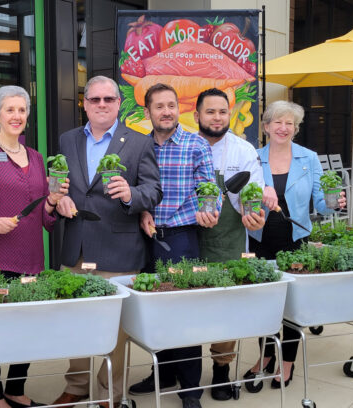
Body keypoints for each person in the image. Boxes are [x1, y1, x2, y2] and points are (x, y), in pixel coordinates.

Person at [52, 75, 162, 408]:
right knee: (75, 324)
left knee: (116, 330)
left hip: (119, 250)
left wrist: (132, 194)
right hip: (76, 248)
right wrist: (57, 198)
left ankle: (109, 391)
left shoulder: (140, 142)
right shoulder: (67, 140)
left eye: (108, 99)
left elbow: (153, 191)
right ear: (85, 104)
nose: (101, 105)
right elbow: (59, 183)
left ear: (119, 103)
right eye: (95, 99)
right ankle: (78, 384)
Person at [0, 85, 68, 408]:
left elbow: (43, 216)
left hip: (32, 256)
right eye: (10, 110)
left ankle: (15, 389)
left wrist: (52, 203)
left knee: (28, 330)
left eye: (22, 110)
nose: (17, 116)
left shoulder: (36, 158)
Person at [128, 83, 220, 408]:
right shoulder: (138, 145)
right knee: (154, 312)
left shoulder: (195, 143)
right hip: (146, 239)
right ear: (147, 112)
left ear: (178, 108)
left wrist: (210, 209)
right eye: (159, 106)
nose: (166, 111)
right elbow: (136, 188)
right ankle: (162, 374)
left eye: (171, 105)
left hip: (181, 238)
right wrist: (141, 211)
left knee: (184, 314)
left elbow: (208, 185)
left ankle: (191, 391)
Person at [244, 100, 346, 389]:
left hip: (295, 240)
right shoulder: (253, 157)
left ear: (296, 129)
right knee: (264, 302)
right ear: (265, 127)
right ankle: (265, 357)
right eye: (277, 122)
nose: (283, 127)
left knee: (291, 305)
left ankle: (286, 363)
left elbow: (320, 205)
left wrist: (334, 204)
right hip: (259, 239)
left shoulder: (309, 158)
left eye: (289, 123)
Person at [194, 88, 267, 401]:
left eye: (222, 112)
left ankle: (221, 371)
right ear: (197, 115)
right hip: (189, 238)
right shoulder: (184, 145)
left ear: (230, 114)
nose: (217, 117)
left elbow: (255, 192)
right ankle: (173, 370)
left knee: (225, 310)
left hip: (230, 240)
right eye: (210, 112)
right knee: (183, 306)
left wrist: (255, 215)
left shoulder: (243, 150)